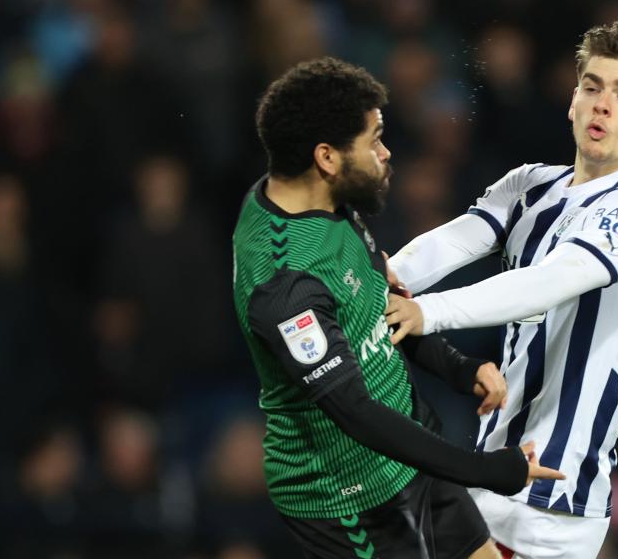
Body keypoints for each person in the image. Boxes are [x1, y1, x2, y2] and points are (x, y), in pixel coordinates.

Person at [232, 57, 563, 559]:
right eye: (374, 140)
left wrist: (458, 367)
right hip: (347, 501)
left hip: (412, 453)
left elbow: (377, 307)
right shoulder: (284, 283)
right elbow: (355, 412)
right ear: (327, 157)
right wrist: (484, 470)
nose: (386, 153)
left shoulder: (322, 197)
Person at [386, 20, 618, 559]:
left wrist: (425, 312)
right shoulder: (530, 186)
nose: (602, 105)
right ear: (573, 100)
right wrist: (377, 278)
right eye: (592, 87)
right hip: (491, 471)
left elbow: (545, 284)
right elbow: (449, 244)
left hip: (554, 501)